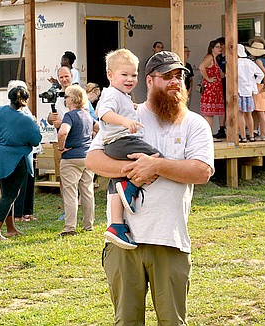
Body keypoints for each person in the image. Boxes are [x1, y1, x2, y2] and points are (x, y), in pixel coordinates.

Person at [85, 50, 214, 325]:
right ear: (150, 80)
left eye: (179, 76)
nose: (175, 81)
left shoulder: (194, 124)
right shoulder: (127, 115)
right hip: (124, 244)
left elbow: (201, 171)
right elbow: (93, 159)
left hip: (170, 241)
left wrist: (155, 166)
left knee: (172, 322)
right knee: (127, 322)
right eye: (167, 76)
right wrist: (130, 170)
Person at [95, 49, 160, 249]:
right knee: (158, 159)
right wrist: (125, 121)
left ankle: (116, 225)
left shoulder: (121, 95)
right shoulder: (112, 94)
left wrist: (129, 109)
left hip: (114, 144)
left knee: (117, 182)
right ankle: (131, 186)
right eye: (124, 75)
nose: (130, 79)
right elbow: (103, 112)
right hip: (121, 141)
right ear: (110, 75)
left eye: (133, 75)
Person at [0, 85, 42, 241]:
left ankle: (11, 228)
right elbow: (36, 140)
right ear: (25, 101)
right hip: (16, 159)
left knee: (6, 194)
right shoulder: (26, 119)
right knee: (9, 195)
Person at [57, 85, 99, 236]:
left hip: (71, 157)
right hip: (87, 157)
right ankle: (88, 225)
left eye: (66, 97)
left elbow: (63, 132)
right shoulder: (88, 115)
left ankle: (70, 227)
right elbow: (98, 128)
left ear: (73, 99)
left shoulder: (70, 115)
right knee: (87, 191)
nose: (65, 99)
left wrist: (61, 148)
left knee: (70, 193)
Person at [8, 80, 41, 223]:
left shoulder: (25, 109)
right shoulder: (10, 110)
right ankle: (18, 214)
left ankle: (28, 211)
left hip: (31, 150)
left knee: (30, 181)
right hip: (18, 153)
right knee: (20, 183)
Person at [247, 38, 265, 141]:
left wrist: (264, 86)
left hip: (260, 86)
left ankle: (262, 134)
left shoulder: (257, 61)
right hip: (264, 87)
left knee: (261, 112)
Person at [237, 44, 264, 142]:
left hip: (238, 90)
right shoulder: (250, 62)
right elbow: (261, 74)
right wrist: (255, 83)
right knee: (249, 114)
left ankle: (243, 136)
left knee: (240, 114)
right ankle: (251, 135)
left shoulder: (235, 63)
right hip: (249, 91)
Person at [199, 39, 225, 138]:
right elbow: (201, 67)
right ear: (212, 48)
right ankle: (208, 136)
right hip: (211, 89)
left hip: (215, 89)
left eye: (220, 47)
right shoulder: (209, 57)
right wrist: (208, 79)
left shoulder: (215, 58)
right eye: (217, 47)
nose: (220, 49)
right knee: (208, 114)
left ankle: (208, 135)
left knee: (211, 113)